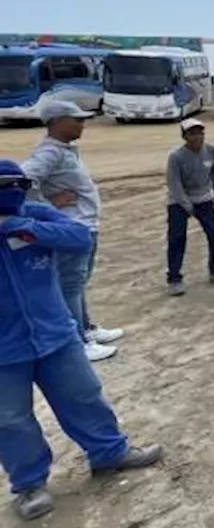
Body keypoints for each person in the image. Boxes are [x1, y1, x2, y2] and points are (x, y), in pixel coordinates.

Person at [0, 160, 163, 521]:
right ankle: (29, 484)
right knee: (10, 419)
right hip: (4, 349)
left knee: (84, 395)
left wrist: (24, 227)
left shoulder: (35, 215)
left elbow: (79, 238)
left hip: (56, 333)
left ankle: (109, 453)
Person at [22, 98, 124, 362]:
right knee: (70, 285)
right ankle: (78, 340)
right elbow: (23, 180)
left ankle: (87, 328)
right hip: (70, 228)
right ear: (57, 122)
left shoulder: (64, 150)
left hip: (84, 226)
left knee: (78, 283)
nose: (83, 124)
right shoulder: (50, 152)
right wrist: (46, 206)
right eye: (77, 120)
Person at [166, 118, 214, 296]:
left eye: (200, 133)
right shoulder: (176, 157)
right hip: (178, 200)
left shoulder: (211, 151)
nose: (197, 137)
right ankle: (174, 278)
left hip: (203, 197)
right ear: (185, 137)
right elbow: (174, 183)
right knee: (177, 238)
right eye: (192, 134)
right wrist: (186, 205)